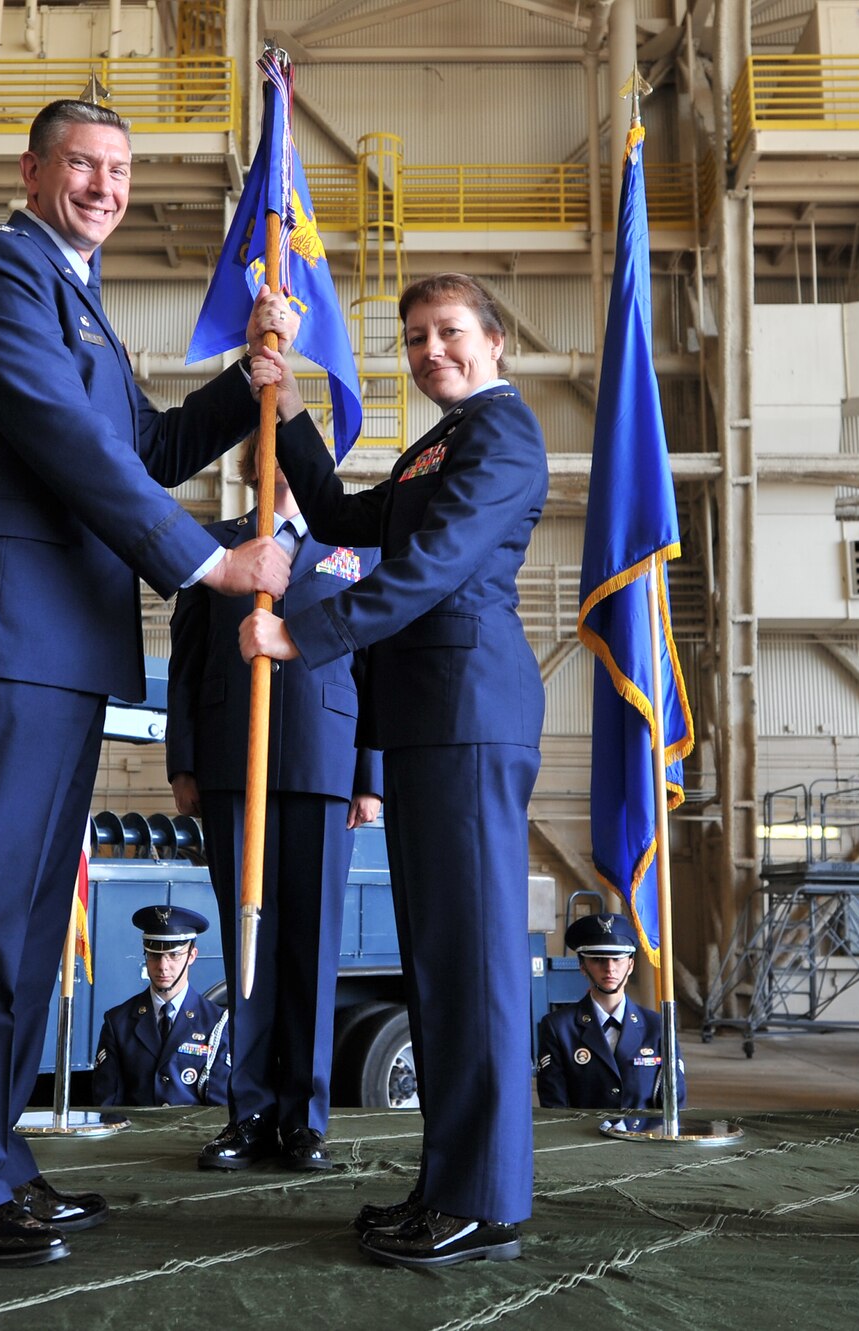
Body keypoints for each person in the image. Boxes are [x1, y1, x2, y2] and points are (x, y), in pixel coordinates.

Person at [0, 96, 296, 1269]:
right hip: (13, 632)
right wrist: (208, 561)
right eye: (82, 163)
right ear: (32, 169)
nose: (105, 186)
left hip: (62, 645)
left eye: (119, 169)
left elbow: (144, 447)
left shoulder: (80, 299)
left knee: (22, 920)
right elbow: (70, 447)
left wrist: (242, 377)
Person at [239, 273, 546, 1270]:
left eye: (448, 332)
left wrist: (298, 634)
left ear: (495, 341)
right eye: (413, 337)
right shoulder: (438, 444)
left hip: (468, 713)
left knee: (475, 962)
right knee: (436, 964)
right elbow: (333, 513)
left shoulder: (501, 435)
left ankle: (486, 1200)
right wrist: (277, 405)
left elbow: (430, 568)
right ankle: (446, 1180)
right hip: (425, 721)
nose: (429, 351)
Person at [167, 445, 383, 1172]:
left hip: (326, 763)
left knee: (313, 950)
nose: (278, 464)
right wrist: (184, 762)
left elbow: (374, 667)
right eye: (266, 453)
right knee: (247, 941)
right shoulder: (213, 548)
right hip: (234, 761)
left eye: (291, 454)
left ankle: (305, 1121)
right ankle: (250, 1113)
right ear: (250, 465)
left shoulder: (354, 553)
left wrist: (371, 775)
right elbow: (186, 663)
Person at [536, 913, 685, 1112]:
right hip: (583, 1140)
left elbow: (674, 1102)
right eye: (598, 960)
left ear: (630, 965)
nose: (609, 968)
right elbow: (554, 1104)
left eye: (617, 959)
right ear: (582, 966)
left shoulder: (657, 1026)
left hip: (643, 1139)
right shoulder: (558, 1027)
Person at [89, 905, 231, 1110]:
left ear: (192, 955)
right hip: (133, 1139)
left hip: (192, 1139)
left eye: (174, 955)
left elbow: (220, 1110)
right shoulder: (118, 1022)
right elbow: (108, 1106)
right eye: (154, 955)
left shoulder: (217, 1023)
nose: (163, 966)